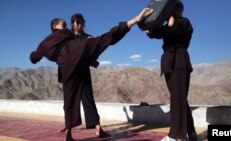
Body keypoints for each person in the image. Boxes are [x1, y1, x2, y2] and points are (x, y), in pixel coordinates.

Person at [30, 8, 153, 141]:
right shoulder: (65, 36)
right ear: (57, 27)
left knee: (84, 99)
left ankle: (95, 128)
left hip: (77, 69)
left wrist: (34, 56)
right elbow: (41, 52)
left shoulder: (73, 39)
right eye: (72, 23)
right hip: (71, 66)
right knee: (69, 100)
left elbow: (35, 56)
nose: (76, 25)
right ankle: (69, 132)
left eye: (80, 22)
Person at [145, 1, 197, 141]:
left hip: (180, 60)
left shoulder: (185, 22)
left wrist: (170, 18)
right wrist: (149, 28)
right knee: (179, 98)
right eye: (171, 8)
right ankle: (191, 132)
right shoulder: (168, 25)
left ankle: (175, 136)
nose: (173, 10)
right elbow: (156, 33)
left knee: (177, 99)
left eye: (175, 8)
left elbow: (175, 27)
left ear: (180, 9)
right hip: (168, 63)